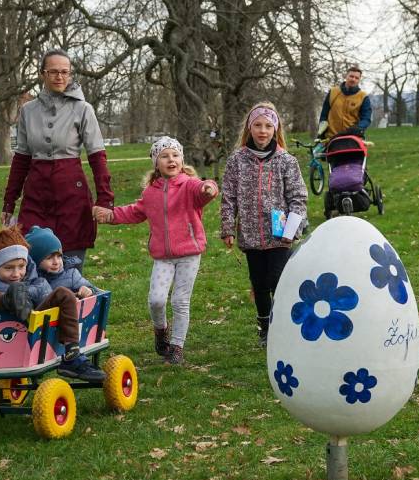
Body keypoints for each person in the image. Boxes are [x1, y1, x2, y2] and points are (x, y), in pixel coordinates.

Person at [94, 137, 219, 365]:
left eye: (175, 155)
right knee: (156, 300)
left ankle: (177, 346)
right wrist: (110, 215)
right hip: (163, 257)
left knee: (180, 302)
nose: (171, 159)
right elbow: (135, 211)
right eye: (164, 156)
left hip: (189, 254)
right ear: (156, 163)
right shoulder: (151, 193)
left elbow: (203, 189)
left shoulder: (189, 185)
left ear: (181, 159)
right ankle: (161, 331)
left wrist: (208, 188)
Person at [0, 226, 106, 382]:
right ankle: (7, 299)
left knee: (63, 294)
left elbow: (46, 298)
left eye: (20, 266)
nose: (16, 273)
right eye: (8, 268)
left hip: (30, 323)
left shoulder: (35, 279)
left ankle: (71, 356)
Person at [1, 48, 114, 269]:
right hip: (36, 195)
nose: (59, 77)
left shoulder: (83, 109)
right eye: (53, 71)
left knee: (70, 267)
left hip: (72, 194)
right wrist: (9, 201)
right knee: (31, 260)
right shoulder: (28, 111)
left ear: (70, 74)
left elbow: (97, 157)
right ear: (43, 74)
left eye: (64, 72)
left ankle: (73, 301)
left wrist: (105, 199)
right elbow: (21, 160)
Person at [220, 103, 308, 346]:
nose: (263, 130)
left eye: (268, 126)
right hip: (250, 235)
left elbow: (298, 198)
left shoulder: (286, 161)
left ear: (275, 129)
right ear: (250, 128)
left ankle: (283, 325)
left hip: (280, 236)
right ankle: (265, 327)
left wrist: (292, 230)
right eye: (258, 125)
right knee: (259, 283)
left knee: (278, 279)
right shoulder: (237, 160)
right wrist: (227, 228)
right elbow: (228, 197)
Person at [24, 225, 99, 299]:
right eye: (49, 258)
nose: (56, 262)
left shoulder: (71, 275)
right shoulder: (30, 279)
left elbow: (96, 291)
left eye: (59, 256)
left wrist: (89, 290)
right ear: (36, 261)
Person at [318, 66, 372, 140]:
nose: (353, 79)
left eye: (356, 78)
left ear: (359, 80)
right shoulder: (333, 92)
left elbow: (366, 119)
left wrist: (359, 127)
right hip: (331, 138)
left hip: (352, 138)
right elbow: (324, 115)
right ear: (346, 76)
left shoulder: (363, 97)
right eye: (351, 76)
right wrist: (321, 131)